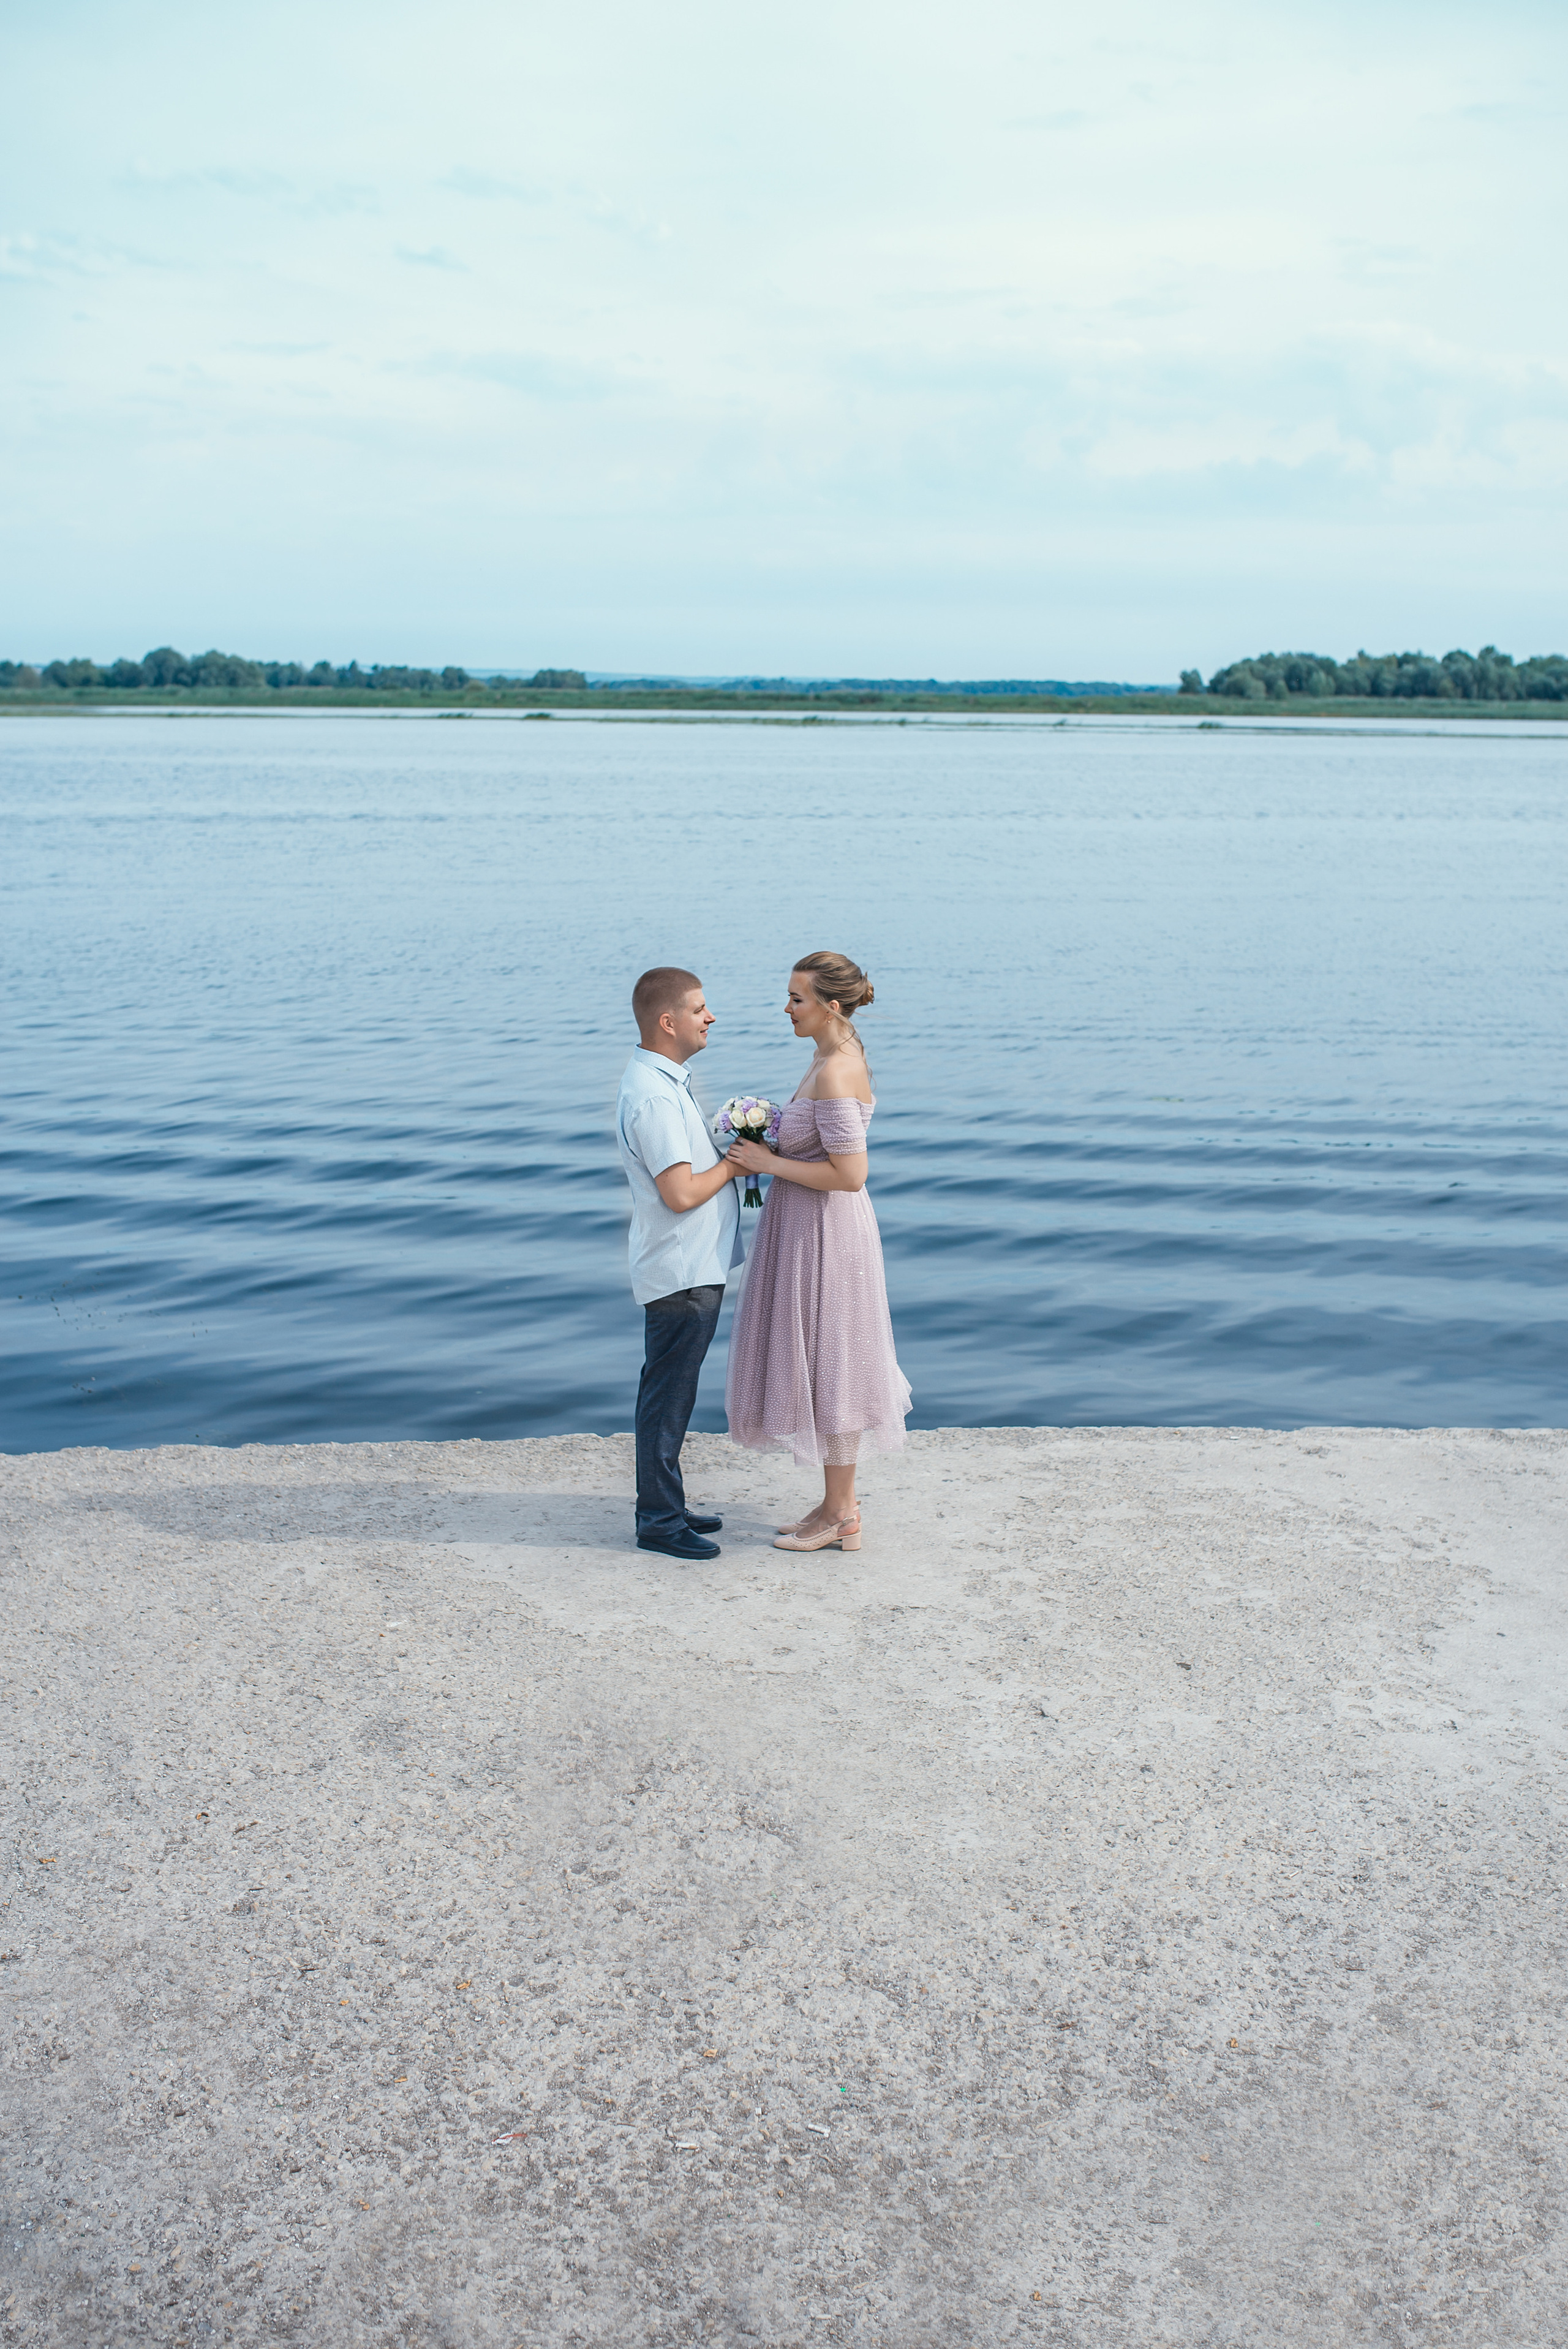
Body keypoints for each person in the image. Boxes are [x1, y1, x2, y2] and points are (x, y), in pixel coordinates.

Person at [722, 951, 910, 1552]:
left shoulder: (836, 1069)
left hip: (828, 1232)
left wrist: (765, 1160)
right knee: (824, 1359)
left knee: (834, 1363)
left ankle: (841, 1516)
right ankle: (836, 1505)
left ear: (831, 1005)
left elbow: (851, 1174)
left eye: (796, 999)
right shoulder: (826, 1055)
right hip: (805, 1223)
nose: (786, 1009)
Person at [616, 967, 743, 1561]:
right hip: (681, 1270)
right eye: (699, 1008)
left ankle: (666, 1502)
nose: (709, 1016)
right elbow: (681, 1193)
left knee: (672, 1393)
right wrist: (738, 1166)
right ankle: (659, 1522)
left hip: (690, 1265)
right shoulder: (652, 1096)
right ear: (668, 1022)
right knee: (667, 1397)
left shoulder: (662, 1083)